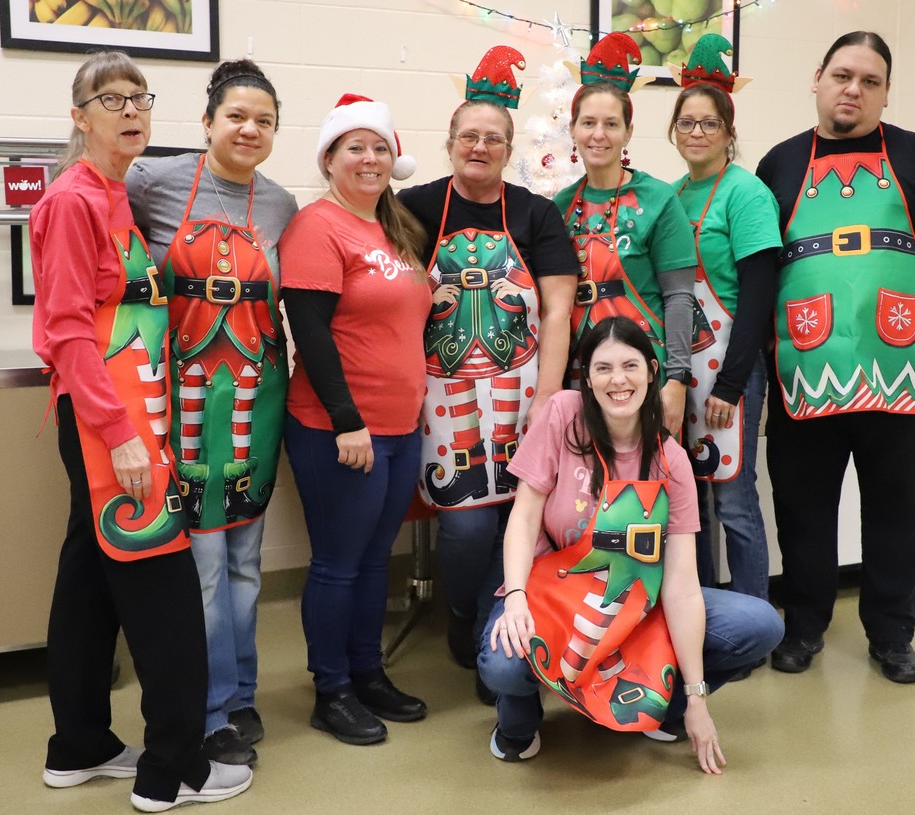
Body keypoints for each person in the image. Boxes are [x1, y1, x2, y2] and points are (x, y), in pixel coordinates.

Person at [31, 51, 251, 811]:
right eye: (110, 99)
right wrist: (118, 433)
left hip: (130, 412)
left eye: (139, 98)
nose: (130, 110)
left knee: (91, 578)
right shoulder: (70, 201)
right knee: (163, 585)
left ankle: (79, 742)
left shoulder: (113, 195)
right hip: (110, 420)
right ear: (79, 114)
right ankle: (174, 767)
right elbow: (64, 330)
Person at [755, 31, 915, 683]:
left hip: (903, 374)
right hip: (804, 376)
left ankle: (891, 634)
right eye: (844, 75)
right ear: (818, 78)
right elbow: (758, 262)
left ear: (884, 92)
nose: (854, 89)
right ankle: (803, 626)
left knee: (898, 513)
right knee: (802, 509)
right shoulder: (778, 164)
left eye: (870, 81)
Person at [478, 317, 784, 771]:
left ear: (651, 371)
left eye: (629, 366)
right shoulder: (564, 415)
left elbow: (681, 587)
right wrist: (517, 596)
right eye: (602, 368)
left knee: (761, 624)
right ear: (588, 379)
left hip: (636, 605)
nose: (617, 380)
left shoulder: (671, 462)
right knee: (503, 665)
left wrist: (696, 697)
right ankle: (518, 726)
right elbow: (523, 519)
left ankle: (663, 709)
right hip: (549, 592)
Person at [127, 59, 298, 766]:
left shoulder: (281, 205)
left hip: (256, 402)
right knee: (200, 563)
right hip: (182, 401)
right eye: (236, 116)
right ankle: (210, 705)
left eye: (263, 120)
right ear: (206, 123)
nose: (249, 129)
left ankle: (245, 690)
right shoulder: (153, 182)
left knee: (246, 563)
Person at [397, 46, 578, 700]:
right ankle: (469, 619)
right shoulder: (412, 208)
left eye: (494, 138)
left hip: (524, 387)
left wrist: (550, 398)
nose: (481, 146)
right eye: (469, 136)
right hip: (441, 393)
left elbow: (557, 310)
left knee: (520, 518)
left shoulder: (536, 213)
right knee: (469, 524)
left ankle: (498, 635)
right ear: (450, 143)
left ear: (509, 149)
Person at [279, 94, 431, 745]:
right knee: (340, 562)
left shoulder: (391, 227)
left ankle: (368, 671)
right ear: (330, 158)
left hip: (399, 426)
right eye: (355, 147)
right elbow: (309, 331)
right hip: (338, 427)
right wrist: (347, 421)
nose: (369, 158)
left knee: (375, 561)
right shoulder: (318, 225)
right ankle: (331, 687)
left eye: (379, 147)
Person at [669, 43, 781, 619]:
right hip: (683, 370)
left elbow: (759, 293)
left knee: (733, 498)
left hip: (727, 370)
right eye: (686, 122)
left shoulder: (746, 193)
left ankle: (755, 615)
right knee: (695, 502)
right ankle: (706, 613)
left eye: (709, 123)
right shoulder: (673, 194)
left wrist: (731, 386)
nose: (696, 132)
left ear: (728, 131)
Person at [553, 32, 697, 433]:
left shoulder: (658, 198)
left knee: (650, 481)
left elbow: (679, 295)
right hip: (583, 370)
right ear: (575, 130)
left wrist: (677, 379)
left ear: (628, 132)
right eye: (589, 123)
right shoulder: (559, 207)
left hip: (644, 368)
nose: (599, 134)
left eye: (611, 124)